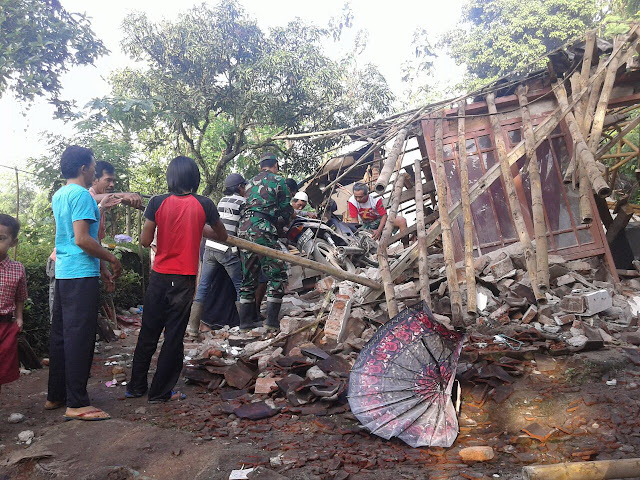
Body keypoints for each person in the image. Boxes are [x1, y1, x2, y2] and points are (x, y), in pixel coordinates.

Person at [126, 156, 227, 403]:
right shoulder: (205, 204)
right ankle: (160, 392)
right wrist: (197, 227)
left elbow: (144, 240)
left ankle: (136, 386)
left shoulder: (156, 202)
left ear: (171, 177)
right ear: (195, 178)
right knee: (174, 336)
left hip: (159, 275)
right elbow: (221, 236)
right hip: (183, 280)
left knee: (149, 332)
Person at [46, 145, 122, 421]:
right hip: (79, 273)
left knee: (61, 336)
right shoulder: (80, 194)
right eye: (91, 166)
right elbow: (82, 239)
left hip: (65, 271)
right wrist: (111, 258)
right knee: (80, 337)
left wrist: (100, 266)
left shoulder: (60, 194)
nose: (93, 170)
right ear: (83, 169)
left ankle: (56, 395)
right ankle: (77, 402)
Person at [47, 160, 143, 319]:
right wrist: (123, 195)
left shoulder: (95, 203)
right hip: (71, 267)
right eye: (108, 180)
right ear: (94, 179)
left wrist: (103, 268)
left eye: (114, 181)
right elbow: (82, 239)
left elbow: (94, 240)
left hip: (74, 267)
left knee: (73, 323)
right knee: (70, 323)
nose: (112, 184)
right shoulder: (84, 195)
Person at [237, 153, 293, 331]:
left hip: (244, 228)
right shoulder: (278, 180)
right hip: (263, 227)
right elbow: (285, 207)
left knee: (249, 275)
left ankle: (245, 323)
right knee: (277, 274)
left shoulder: (249, 182)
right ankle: (271, 322)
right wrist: (283, 223)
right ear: (275, 165)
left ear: (261, 165)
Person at [187, 173, 247, 335]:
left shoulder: (221, 200)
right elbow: (242, 229)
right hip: (227, 249)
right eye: (244, 187)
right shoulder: (243, 202)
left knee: (203, 287)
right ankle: (245, 326)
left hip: (210, 248)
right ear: (240, 187)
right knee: (240, 287)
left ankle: (193, 327)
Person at [0, 215, 27, 395]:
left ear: (13, 242)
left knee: (1, 372)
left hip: (5, 326)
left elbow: (20, 296)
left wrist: (19, 318)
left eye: (1, 239)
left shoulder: (18, 269)